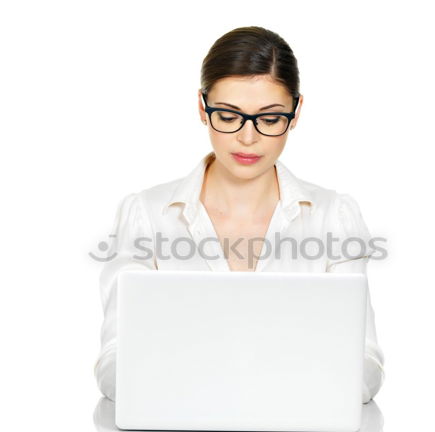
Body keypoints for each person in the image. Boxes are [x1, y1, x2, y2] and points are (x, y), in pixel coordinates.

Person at [93, 26, 385, 405]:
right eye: (228, 116)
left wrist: (286, 394)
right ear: (202, 108)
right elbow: (114, 360)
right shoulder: (146, 215)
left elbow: (365, 361)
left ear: (295, 113)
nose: (248, 138)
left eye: (269, 118)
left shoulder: (334, 217)